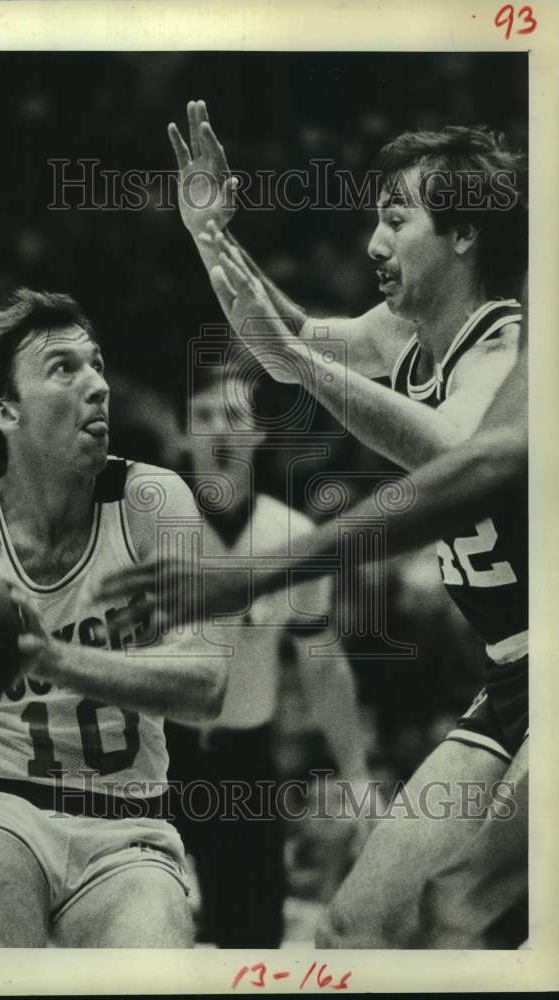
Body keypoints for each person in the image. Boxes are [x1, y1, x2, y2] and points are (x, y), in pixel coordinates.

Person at [106, 101, 528, 948]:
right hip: (509, 679)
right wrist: (208, 233)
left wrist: (302, 362)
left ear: (463, 234)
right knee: (353, 926)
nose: (373, 243)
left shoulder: (511, 345)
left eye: (396, 219)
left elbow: (459, 460)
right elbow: (282, 343)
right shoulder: (398, 336)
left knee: (454, 906)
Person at [0, 289, 230, 948]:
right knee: (6, 962)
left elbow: (207, 684)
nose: (98, 386)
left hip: (128, 829)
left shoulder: (153, 502)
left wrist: (51, 657)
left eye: (97, 365)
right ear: (7, 410)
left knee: (150, 972)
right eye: (64, 368)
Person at [164, 363, 369, 947]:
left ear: (259, 433)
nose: (219, 430)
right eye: (204, 416)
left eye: (234, 416)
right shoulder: (143, 524)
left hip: (244, 762)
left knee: (254, 940)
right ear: (183, 434)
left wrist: (356, 774)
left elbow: (321, 664)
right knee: (143, 933)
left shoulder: (293, 537)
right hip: (154, 757)